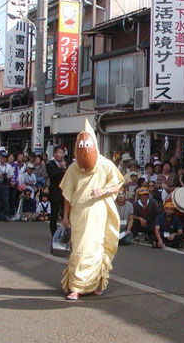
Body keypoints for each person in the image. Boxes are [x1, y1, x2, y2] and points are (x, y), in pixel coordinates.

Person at [60, 120, 124, 301]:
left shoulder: (105, 165)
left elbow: (117, 185)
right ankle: (75, 287)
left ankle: (96, 284)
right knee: (79, 249)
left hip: (98, 213)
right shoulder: (73, 168)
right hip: (79, 213)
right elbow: (67, 194)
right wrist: (65, 216)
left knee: (96, 248)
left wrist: (103, 191)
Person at [46, 146, 67, 237]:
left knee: (65, 213)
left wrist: (64, 168)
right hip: (54, 191)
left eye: (62, 153)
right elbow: (52, 176)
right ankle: (54, 233)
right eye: (59, 153)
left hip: (63, 191)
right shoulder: (50, 164)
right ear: (54, 154)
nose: (61, 155)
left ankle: (66, 232)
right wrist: (60, 168)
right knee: (54, 213)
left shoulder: (64, 164)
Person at [0, 152, 15, 221]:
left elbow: (12, 175)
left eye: (5, 158)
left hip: (5, 183)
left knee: (5, 200)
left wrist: (7, 177)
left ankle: (5, 215)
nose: (3, 159)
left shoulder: (9, 166)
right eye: (2, 157)